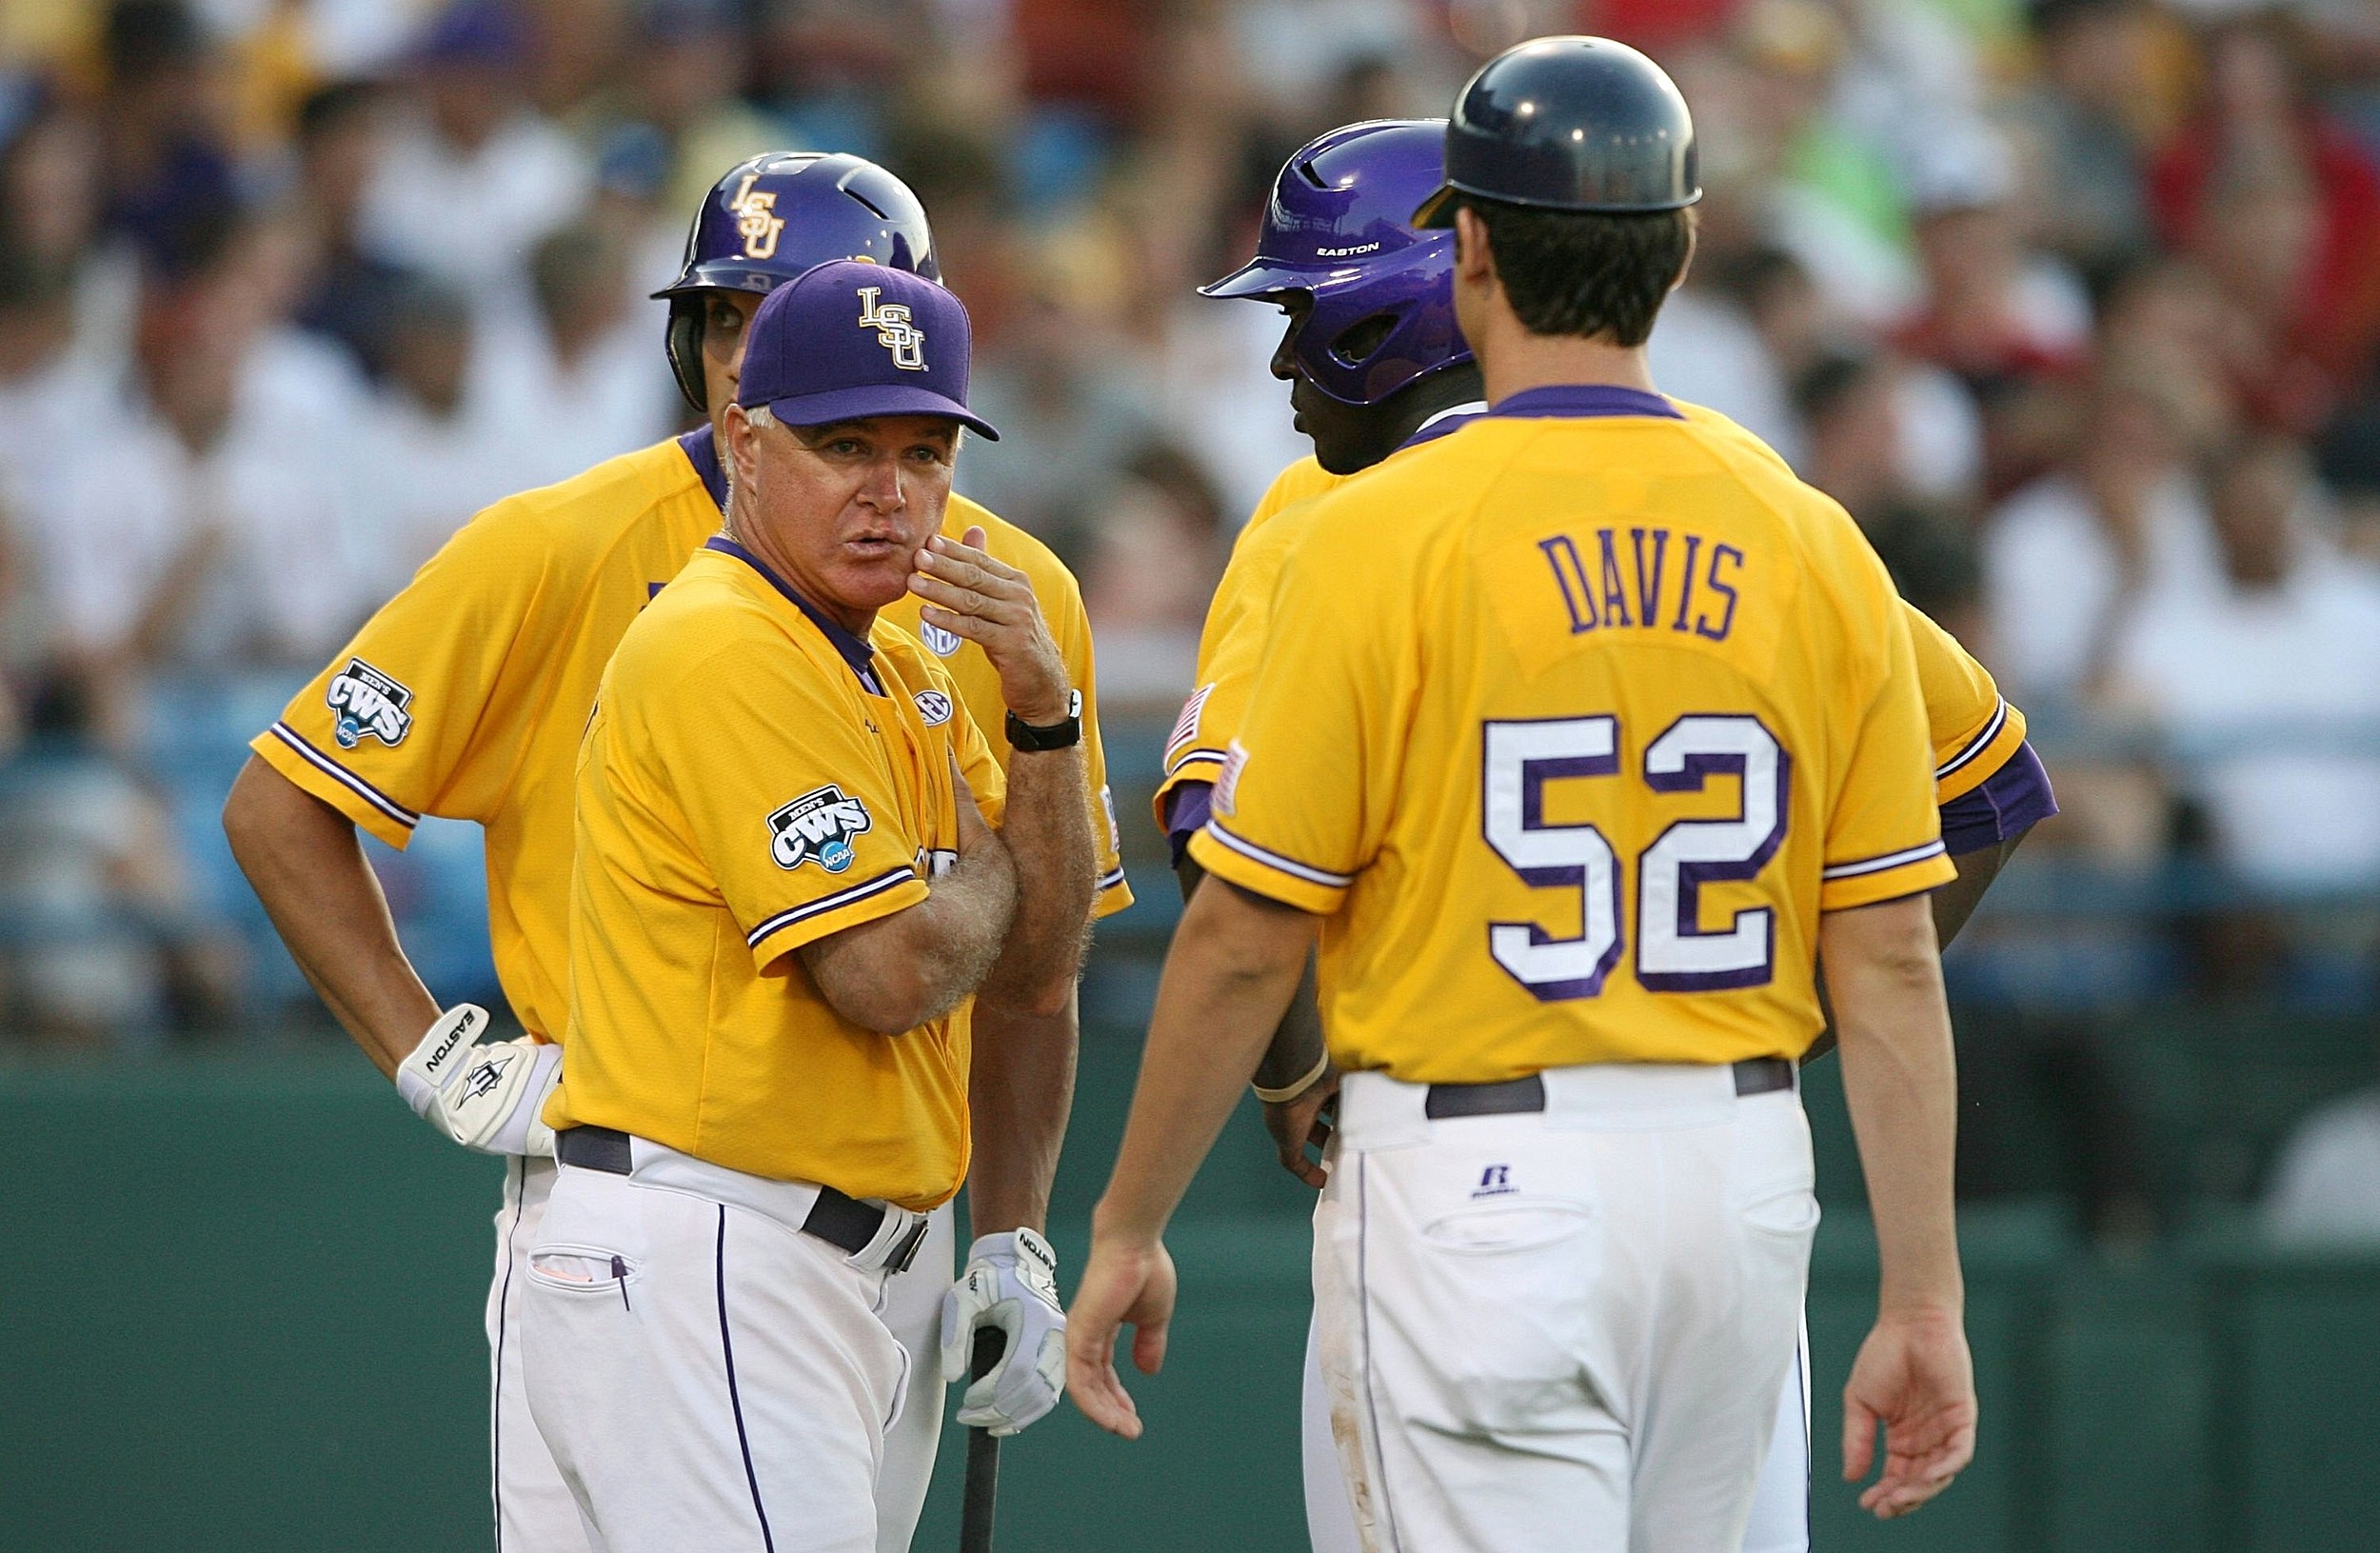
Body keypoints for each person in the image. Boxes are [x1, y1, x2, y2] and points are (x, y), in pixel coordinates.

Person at [1068, 38, 1978, 1549]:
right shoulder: (1804, 525)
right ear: (1681, 250)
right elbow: (1890, 944)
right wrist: (1928, 1292)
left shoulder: (1376, 527)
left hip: (1479, 1177)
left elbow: (1240, 933)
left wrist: (1126, 1222)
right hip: (1742, 1169)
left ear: (1470, 245)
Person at [221, 152, 1123, 1553]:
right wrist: (430, 1055)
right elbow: (285, 802)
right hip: (666, 1201)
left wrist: (1013, 1229)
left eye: (789, 311)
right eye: (724, 317)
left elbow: (1038, 977)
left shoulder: (998, 582)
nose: (747, 352)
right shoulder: (561, 547)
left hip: (880, 1224)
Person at [522, 259, 1088, 1551]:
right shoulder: (725, 638)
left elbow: (1038, 970)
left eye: (925, 451)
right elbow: (888, 978)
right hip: (712, 1249)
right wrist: (998, 854)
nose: (892, 493)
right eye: (845, 446)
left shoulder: (888, 649)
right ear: (743, 441)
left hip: (815, 1266)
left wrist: (1045, 725)